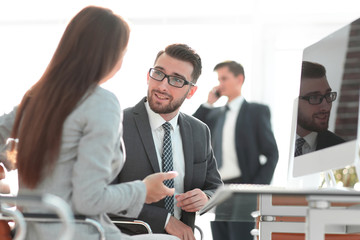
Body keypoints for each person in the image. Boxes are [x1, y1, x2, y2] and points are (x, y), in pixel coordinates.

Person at [0, 6, 180, 240]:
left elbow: (56, 152)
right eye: (123, 52)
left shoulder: (37, 97)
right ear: (110, 55)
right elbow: (90, 199)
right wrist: (143, 190)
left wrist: (8, 159)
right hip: (81, 233)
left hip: (32, 234)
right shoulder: (101, 104)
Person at [112, 43, 223, 240]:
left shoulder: (199, 131)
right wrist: (164, 220)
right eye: (158, 74)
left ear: (191, 92)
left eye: (177, 80)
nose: (162, 85)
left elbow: (216, 187)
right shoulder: (116, 124)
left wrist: (205, 198)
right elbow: (102, 195)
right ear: (148, 76)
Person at [193, 60, 278, 240]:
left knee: (240, 236)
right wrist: (208, 103)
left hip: (244, 187)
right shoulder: (214, 114)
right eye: (218, 79)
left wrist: (256, 188)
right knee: (221, 236)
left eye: (224, 78)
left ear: (239, 79)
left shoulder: (256, 111)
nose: (219, 84)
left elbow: (271, 153)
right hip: (219, 189)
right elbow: (190, 129)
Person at [295, 61, 345, 156]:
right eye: (314, 97)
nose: (326, 107)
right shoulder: (266, 141)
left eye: (328, 95)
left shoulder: (341, 149)